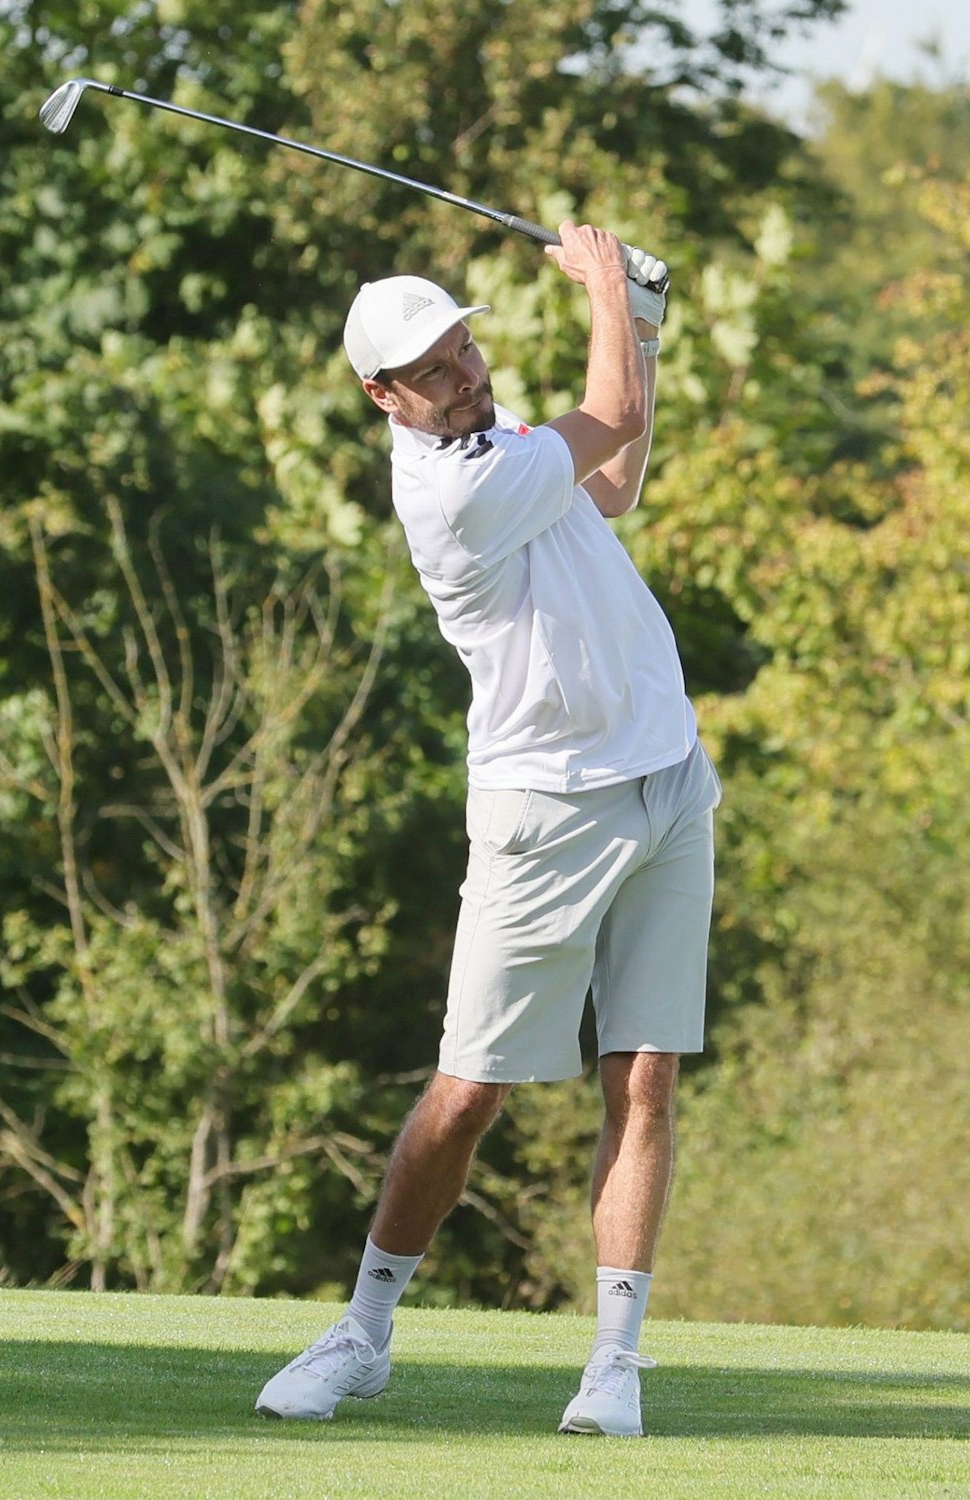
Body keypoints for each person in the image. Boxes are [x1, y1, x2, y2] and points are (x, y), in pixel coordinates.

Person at [256, 221, 719, 1438]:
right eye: (435, 369)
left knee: (647, 1076)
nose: (464, 375)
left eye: (464, 349)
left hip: (668, 779)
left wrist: (645, 329)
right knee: (469, 1096)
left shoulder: (506, 443)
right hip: (543, 810)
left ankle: (613, 1364)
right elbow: (609, 409)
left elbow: (611, 474)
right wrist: (609, 290)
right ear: (383, 396)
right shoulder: (452, 489)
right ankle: (361, 1333)